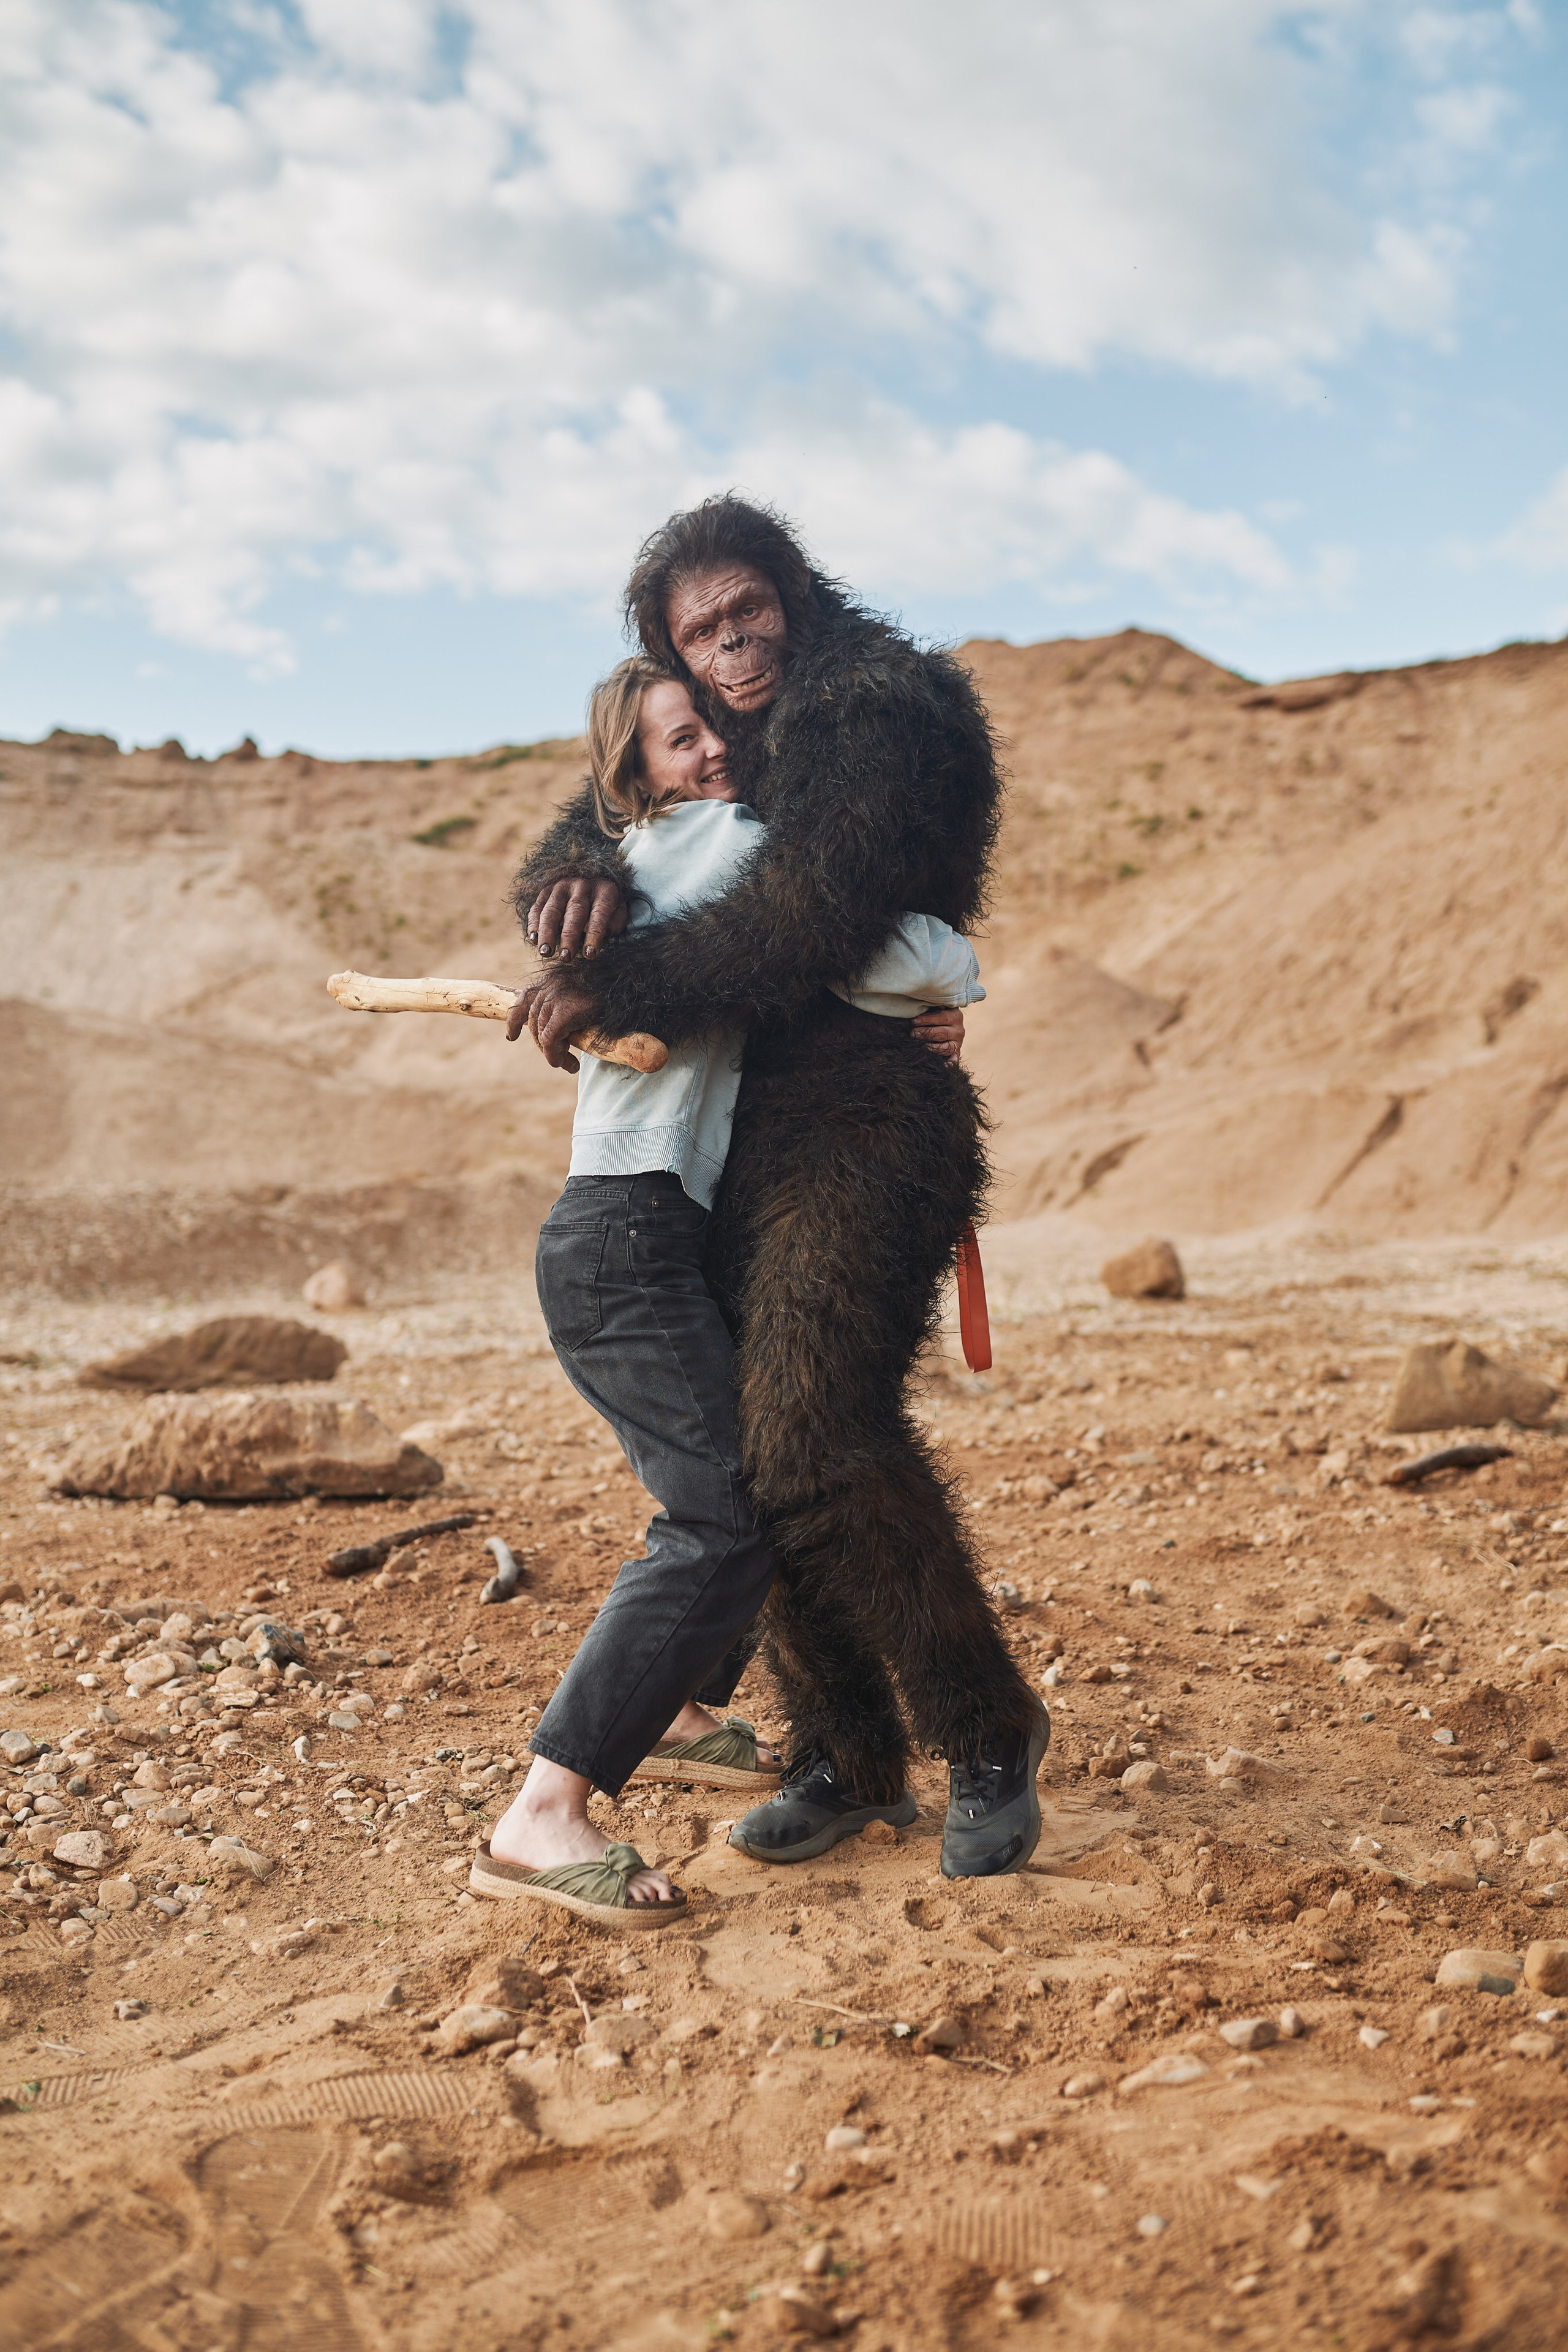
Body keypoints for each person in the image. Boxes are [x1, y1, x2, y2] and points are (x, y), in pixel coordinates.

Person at [510, 497, 1049, 1881]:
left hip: (872, 1108)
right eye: (700, 630)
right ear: (668, 650)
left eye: (747, 610)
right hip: (743, 1128)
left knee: (812, 1429)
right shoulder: (708, 737)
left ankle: (986, 1734)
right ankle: (846, 1756)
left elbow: (801, 918)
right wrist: (565, 892)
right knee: (753, 1467)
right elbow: (590, 821)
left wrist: (604, 983)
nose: (731, 644)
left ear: (793, 595)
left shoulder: (879, 701)